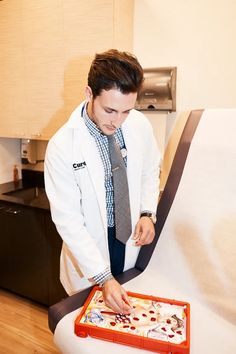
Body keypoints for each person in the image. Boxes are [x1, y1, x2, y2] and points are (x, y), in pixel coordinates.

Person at [44, 49, 161, 315]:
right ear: (89, 94)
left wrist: (146, 213)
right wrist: (103, 278)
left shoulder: (139, 124)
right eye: (110, 110)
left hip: (128, 237)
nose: (118, 121)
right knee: (91, 321)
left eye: (126, 111)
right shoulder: (63, 146)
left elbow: (150, 168)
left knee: (127, 315)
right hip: (89, 245)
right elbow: (68, 220)